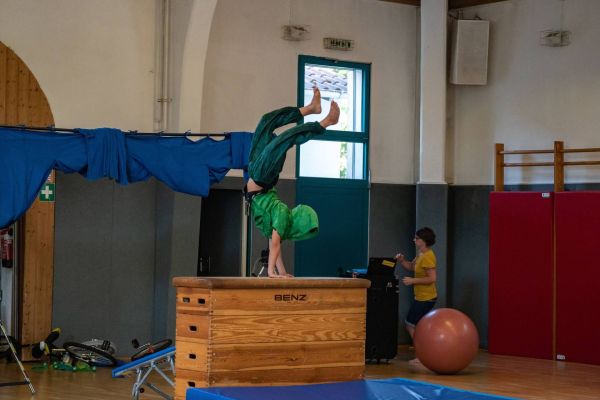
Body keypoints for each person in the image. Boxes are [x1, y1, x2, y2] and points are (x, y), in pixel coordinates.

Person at [245, 88, 339, 278]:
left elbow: (274, 244)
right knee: (269, 125)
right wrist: (276, 271)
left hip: (260, 176)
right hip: (261, 179)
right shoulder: (282, 216)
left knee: (279, 134)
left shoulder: (281, 217)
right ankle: (311, 109)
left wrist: (276, 272)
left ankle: (325, 123)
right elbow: (275, 245)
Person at [395, 227, 437, 363]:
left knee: (410, 324)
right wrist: (402, 261)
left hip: (427, 298)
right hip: (420, 297)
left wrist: (413, 281)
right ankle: (425, 353)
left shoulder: (428, 256)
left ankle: (422, 355)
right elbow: (412, 267)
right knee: (415, 325)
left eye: (416, 238)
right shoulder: (421, 254)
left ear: (424, 241)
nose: (414, 240)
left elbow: (432, 278)